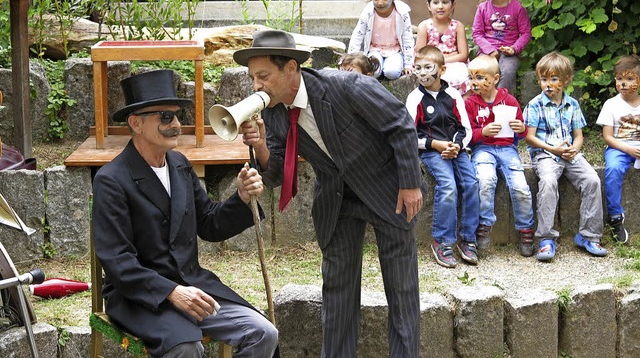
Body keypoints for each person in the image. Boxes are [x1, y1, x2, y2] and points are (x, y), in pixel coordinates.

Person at [235, 29, 424, 358]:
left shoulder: (346, 86)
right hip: (337, 201)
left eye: (263, 76)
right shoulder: (275, 112)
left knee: (401, 290)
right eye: (253, 78)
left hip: (387, 190)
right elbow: (277, 173)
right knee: (337, 293)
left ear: (290, 68)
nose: (256, 86)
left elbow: (401, 123)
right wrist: (261, 145)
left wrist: (409, 184)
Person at [91, 70, 279, 358]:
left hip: (193, 285)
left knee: (263, 332)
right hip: (140, 297)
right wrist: (171, 292)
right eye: (165, 117)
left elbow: (209, 224)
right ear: (135, 123)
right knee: (187, 348)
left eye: (177, 116)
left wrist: (241, 198)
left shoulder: (179, 164)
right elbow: (117, 261)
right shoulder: (111, 180)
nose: (176, 124)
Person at [524, 52, 608, 261]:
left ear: (566, 80)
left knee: (592, 180)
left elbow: (578, 136)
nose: (548, 84)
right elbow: (530, 138)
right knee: (549, 181)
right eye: (544, 79)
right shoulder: (535, 105)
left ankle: (589, 235)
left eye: (554, 79)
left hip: (569, 154)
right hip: (545, 154)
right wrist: (553, 150)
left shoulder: (573, 104)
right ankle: (545, 238)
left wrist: (574, 149)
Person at [406, 45, 479, 268]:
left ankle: (468, 239)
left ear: (442, 70)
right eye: (418, 68)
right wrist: (435, 144)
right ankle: (443, 241)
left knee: (472, 182)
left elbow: (464, 128)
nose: (423, 72)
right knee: (448, 185)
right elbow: (409, 134)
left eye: (428, 67)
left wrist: (456, 146)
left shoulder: (454, 95)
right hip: (430, 151)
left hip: (456, 149)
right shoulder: (415, 98)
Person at [464, 55, 535, 256]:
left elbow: (521, 133)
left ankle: (525, 229)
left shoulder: (509, 100)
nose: (474, 83)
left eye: (479, 78)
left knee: (521, 186)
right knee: (485, 181)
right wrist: (482, 132)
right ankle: (484, 225)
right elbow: (467, 135)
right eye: (471, 78)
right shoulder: (470, 103)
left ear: (495, 79)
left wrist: (521, 128)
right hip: (483, 149)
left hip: (507, 150)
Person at [596, 54, 640, 244]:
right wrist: (628, 149)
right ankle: (615, 217)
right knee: (613, 170)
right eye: (620, 79)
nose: (623, 83)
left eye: (629, 79)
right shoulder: (611, 105)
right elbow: (608, 137)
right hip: (619, 148)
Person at [472, 0, 531, 95]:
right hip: (487, 52)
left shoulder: (518, 8)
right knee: (481, 70)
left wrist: (514, 49)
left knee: (508, 71)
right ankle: (481, 100)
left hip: (509, 53)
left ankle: (500, 99)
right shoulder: (482, 8)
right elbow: (477, 33)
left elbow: (525, 33)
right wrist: (490, 50)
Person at [348, 0, 414, 80]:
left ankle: (388, 67)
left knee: (392, 72)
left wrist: (408, 63)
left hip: (395, 51)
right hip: (375, 50)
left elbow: (407, 37)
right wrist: (352, 59)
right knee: (373, 72)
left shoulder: (401, 13)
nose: (380, 2)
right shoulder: (368, 12)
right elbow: (358, 34)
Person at [415, 0, 470, 96]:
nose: (440, 6)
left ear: (453, 5)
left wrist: (444, 59)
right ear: (429, 6)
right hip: (431, 64)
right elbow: (420, 55)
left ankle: (461, 110)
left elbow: (463, 55)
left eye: (445, 2)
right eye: (436, 2)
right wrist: (445, 57)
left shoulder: (458, 26)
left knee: (463, 76)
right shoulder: (424, 26)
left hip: (455, 65)